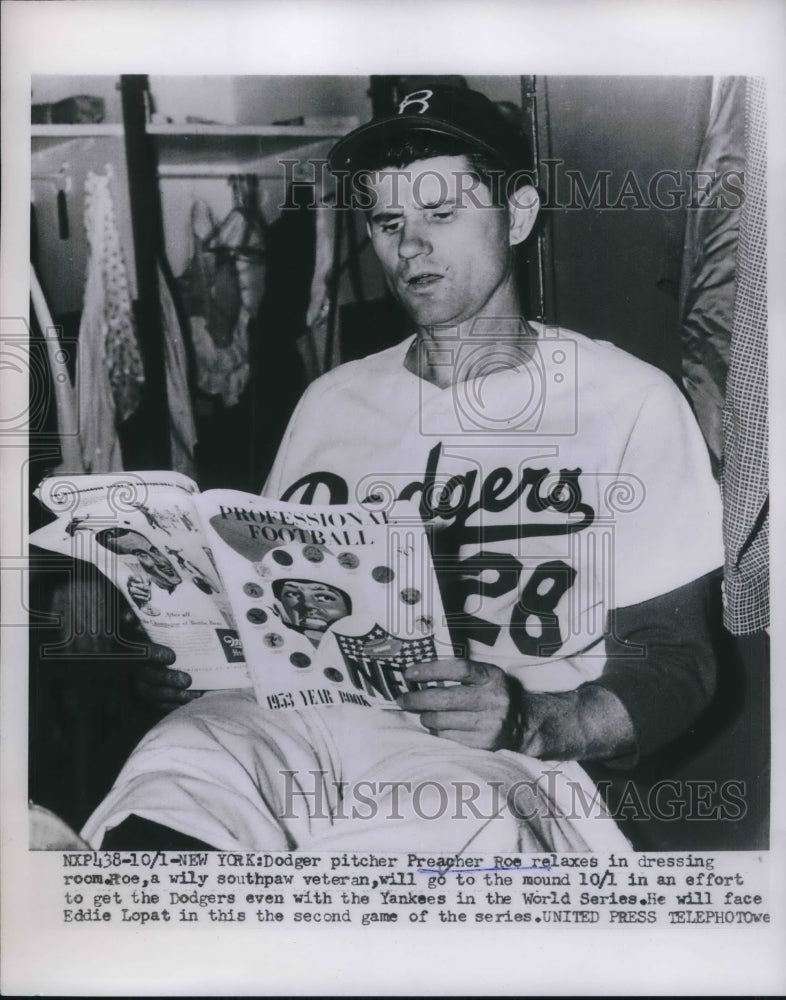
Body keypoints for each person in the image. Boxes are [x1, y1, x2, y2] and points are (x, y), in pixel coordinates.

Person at [81, 87, 722, 853]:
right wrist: (197, 657)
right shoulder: (331, 402)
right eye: (388, 222)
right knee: (182, 760)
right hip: (302, 722)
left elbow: (678, 667)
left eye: (440, 214)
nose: (407, 246)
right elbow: (276, 617)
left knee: (435, 819)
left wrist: (538, 721)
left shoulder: (629, 401)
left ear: (517, 215)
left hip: (489, 756)